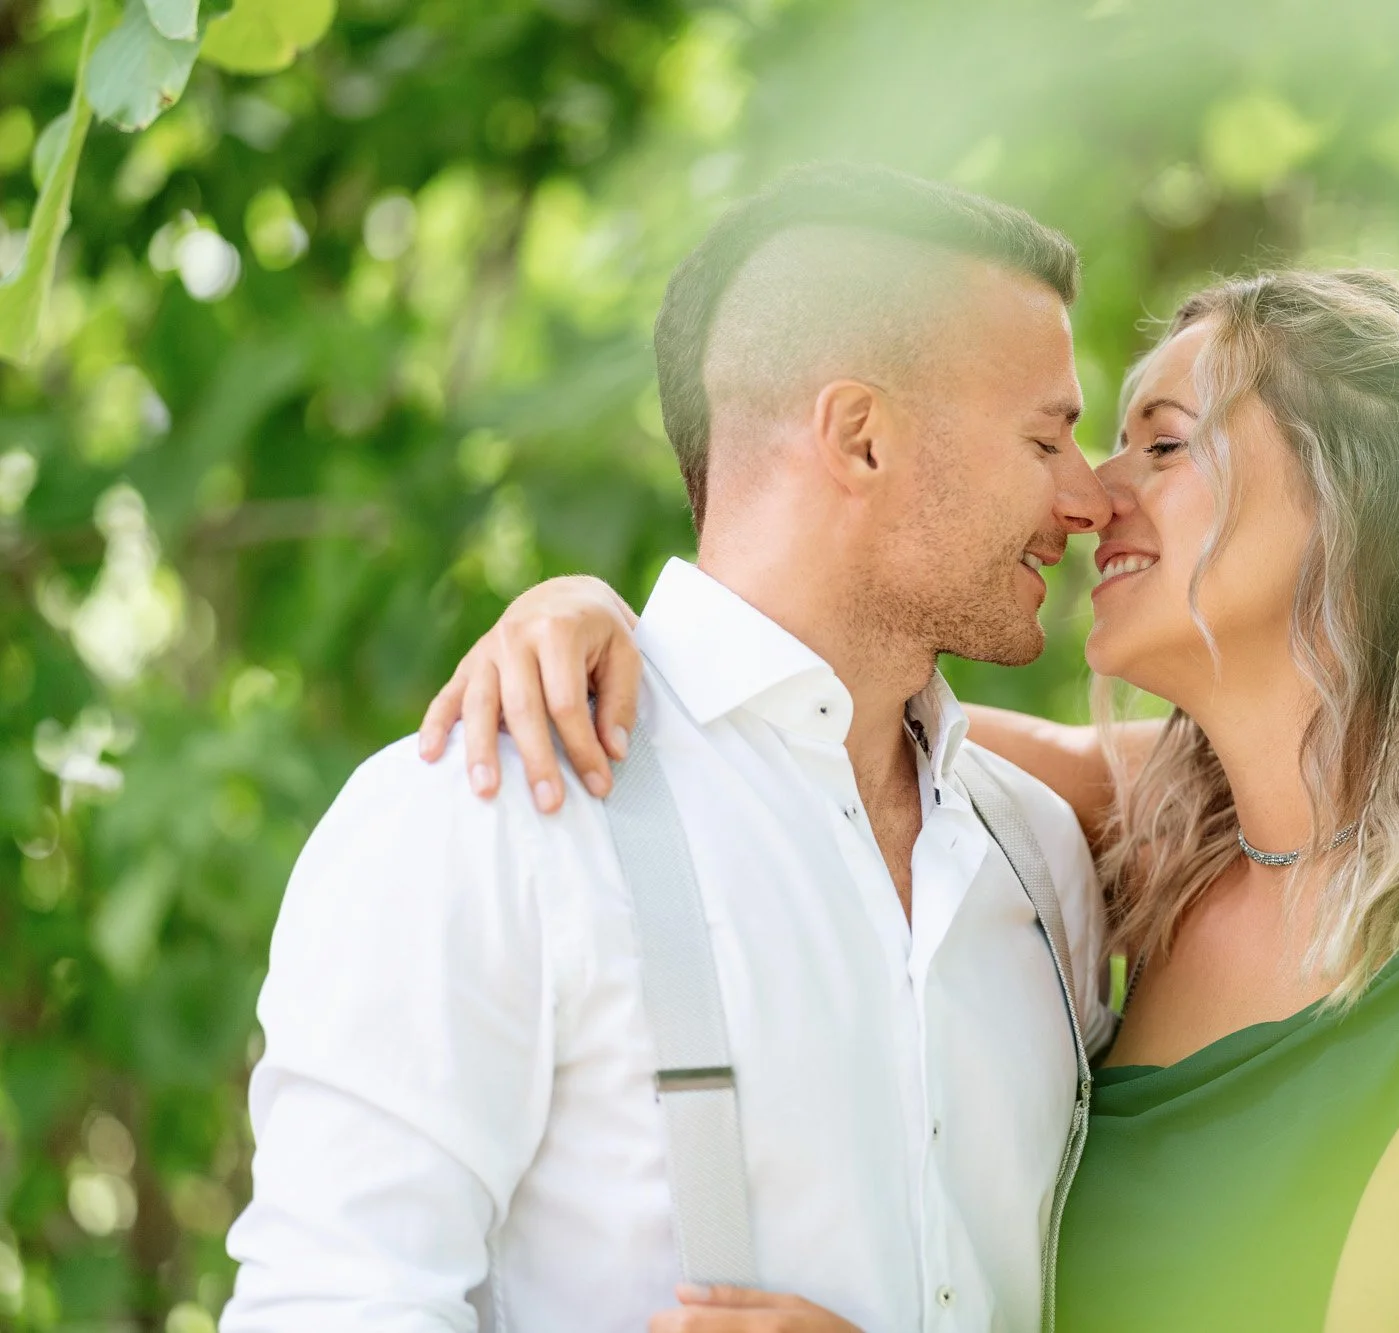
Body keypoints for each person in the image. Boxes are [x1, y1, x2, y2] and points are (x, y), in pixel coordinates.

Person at [429, 267, 1399, 1330]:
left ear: (1372, 513)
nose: (1086, 496)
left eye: (1165, 443)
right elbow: (782, 713)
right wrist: (582, 618)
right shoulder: (1158, 834)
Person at [221, 165, 1122, 1333]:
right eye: (1045, 438)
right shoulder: (486, 812)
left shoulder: (1039, 857)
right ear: (859, 439)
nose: (1088, 497)